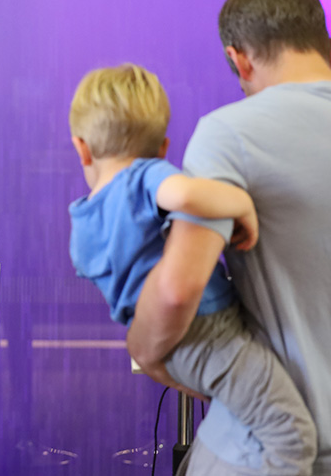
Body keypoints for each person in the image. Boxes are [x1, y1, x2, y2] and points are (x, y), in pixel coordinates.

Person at [126, 0, 331, 474]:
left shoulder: (230, 133)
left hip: (262, 444)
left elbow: (177, 291)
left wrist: (149, 350)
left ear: (239, 59)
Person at [68, 63, 316, 474]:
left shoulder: (82, 224)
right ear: (164, 148)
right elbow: (184, 193)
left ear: (81, 147)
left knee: (242, 417)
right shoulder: (144, 175)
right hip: (209, 334)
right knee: (291, 435)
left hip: (174, 351)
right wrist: (241, 205)